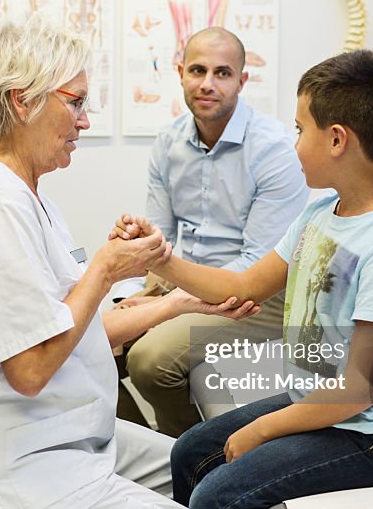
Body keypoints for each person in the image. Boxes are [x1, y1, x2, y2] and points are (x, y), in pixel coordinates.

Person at [0, 15, 261, 509]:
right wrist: (102, 268)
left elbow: (81, 325)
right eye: (74, 102)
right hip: (14, 460)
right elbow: (29, 368)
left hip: (57, 431)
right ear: (22, 102)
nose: (85, 120)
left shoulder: (24, 197)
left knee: (200, 469)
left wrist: (181, 306)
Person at [112, 49, 373, 509]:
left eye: (300, 129)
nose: (294, 144)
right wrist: (162, 260)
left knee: (218, 501)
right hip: (321, 402)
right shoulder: (318, 215)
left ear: (337, 140)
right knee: (192, 451)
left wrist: (260, 429)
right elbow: (241, 286)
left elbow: (358, 390)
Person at [117, 26, 308, 437]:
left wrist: (171, 304)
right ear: (180, 72)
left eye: (222, 73)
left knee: (149, 360)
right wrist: (139, 284)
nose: (208, 84)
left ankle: (189, 459)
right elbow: (158, 245)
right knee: (88, 345)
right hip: (188, 280)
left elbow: (254, 270)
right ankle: (140, 452)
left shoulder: (275, 149)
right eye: (198, 70)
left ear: (243, 80)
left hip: (260, 295)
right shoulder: (168, 144)